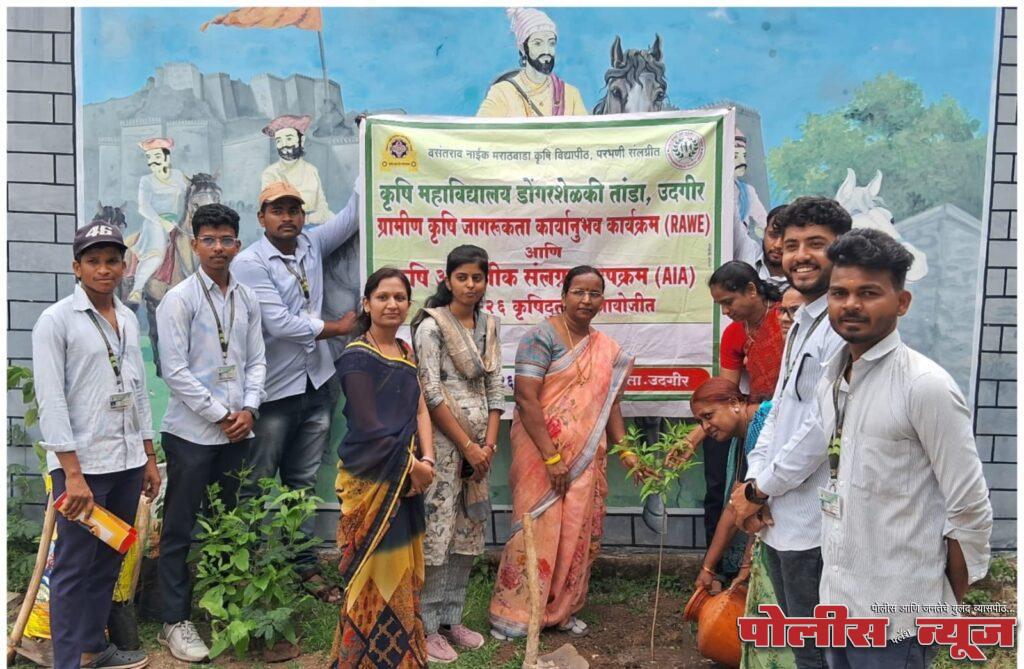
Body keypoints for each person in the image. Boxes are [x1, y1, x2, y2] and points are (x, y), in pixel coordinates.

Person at [817, 229, 992, 668]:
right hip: (837, 601)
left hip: (898, 618)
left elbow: (969, 507)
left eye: (869, 292)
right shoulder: (832, 377)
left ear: (902, 302)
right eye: (839, 292)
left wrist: (941, 597)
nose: (851, 304)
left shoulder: (924, 386)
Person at [728, 195, 852, 669]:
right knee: (806, 645)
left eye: (816, 244)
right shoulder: (801, 320)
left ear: (842, 250)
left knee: (820, 652)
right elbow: (778, 412)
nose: (800, 254)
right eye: (792, 243)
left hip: (813, 524)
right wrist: (752, 487)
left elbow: (822, 428)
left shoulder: (841, 326)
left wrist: (759, 490)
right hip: (779, 513)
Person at [489, 266, 645, 640]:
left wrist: (626, 452)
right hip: (540, 458)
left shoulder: (604, 349)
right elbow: (526, 400)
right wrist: (552, 458)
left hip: (584, 460)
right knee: (536, 529)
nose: (586, 300)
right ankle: (515, 614)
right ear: (563, 296)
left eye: (594, 294)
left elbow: (611, 407)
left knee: (576, 532)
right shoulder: (539, 338)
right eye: (579, 292)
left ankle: (561, 610)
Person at [32, 221, 162, 669]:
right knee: (72, 569)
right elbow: (50, 401)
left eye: (112, 260)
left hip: (125, 462)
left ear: (124, 266)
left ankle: (91, 648)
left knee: (109, 559)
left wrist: (148, 456)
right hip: (81, 469)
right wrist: (71, 473)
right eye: (94, 261)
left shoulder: (127, 318)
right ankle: (67, 660)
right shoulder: (56, 321)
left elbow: (139, 391)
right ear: (77, 267)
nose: (104, 269)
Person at [232, 181, 359, 601]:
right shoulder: (250, 262)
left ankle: (301, 563)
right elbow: (279, 324)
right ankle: (244, 566)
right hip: (272, 393)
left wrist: (370, 144)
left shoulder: (311, 244)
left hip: (316, 383)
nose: (287, 217)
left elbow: (354, 213)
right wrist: (338, 329)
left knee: (302, 483)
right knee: (257, 481)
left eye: (294, 209)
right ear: (261, 217)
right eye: (277, 209)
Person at [153, 203, 266, 662]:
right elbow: (174, 371)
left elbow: (257, 360)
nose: (219, 248)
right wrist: (222, 413)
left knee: (227, 525)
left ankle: (218, 609)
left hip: (238, 432)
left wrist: (251, 409)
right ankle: (174, 621)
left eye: (226, 240)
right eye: (209, 240)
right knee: (180, 529)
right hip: (191, 434)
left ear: (237, 245)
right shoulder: (179, 298)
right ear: (195, 244)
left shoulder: (247, 297)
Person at [332, 268, 435, 668]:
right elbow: (369, 426)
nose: (392, 304)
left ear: (409, 304)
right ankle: (362, 658)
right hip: (370, 480)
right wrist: (412, 466)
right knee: (371, 571)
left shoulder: (407, 352)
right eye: (383, 297)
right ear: (366, 303)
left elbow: (421, 406)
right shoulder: (356, 357)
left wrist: (426, 460)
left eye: (400, 297)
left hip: (408, 478)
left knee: (402, 570)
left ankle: (402, 657)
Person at [410, 246, 504, 663]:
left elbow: (496, 388)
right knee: (438, 533)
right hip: (445, 445)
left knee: (467, 534)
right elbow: (429, 393)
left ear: (486, 281)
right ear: (447, 279)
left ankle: (452, 618)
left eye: (477, 278)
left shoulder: (488, 324)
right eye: (462, 277)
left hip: (480, 448)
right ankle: (426, 626)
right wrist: (467, 445)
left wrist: (488, 445)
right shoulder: (431, 328)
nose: (470, 285)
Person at [676, 261, 786, 551]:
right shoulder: (735, 333)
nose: (725, 311)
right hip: (759, 417)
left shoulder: (785, 319)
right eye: (720, 305)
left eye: (728, 302)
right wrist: (697, 434)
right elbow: (725, 394)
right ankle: (725, 563)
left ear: (751, 290)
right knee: (720, 461)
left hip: (789, 416)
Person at [689, 378, 794, 669]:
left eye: (709, 416)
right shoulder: (743, 436)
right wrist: (708, 568)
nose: (706, 427)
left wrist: (746, 563)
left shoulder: (763, 426)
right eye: (701, 421)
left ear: (735, 404)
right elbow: (737, 506)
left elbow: (758, 507)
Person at [478, 7, 587, 117]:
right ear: (522, 48)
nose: (546, 51)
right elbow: (480, 130)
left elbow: (586, 133)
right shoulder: (502, 93)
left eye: (551, 43)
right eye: (538, 43)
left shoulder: (571, 95)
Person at [130, 137, 190, 304]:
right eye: (149, 158)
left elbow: (187, 198)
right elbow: (143, 207)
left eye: (156, 157)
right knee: (156, 256)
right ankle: (137, 288)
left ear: (167, 157)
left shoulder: (178, 176)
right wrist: (161, 222)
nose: (152, 162)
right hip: (154, 223)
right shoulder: (146, 181)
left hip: (177, 221)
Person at [260, 115, 333, 224]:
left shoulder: (311, 170)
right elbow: (277, 214)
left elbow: (322, 207)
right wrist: (309, 219)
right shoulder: (270, 174)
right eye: (279, 141)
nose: (284, 145)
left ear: (301, 140)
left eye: (289, 138)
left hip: (316, 229)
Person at [755, 205, 790, 292]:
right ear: (765, 232)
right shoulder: (748, 253)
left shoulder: (804, 281)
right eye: (773, 235)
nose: (778, 245)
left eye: (787, 239)